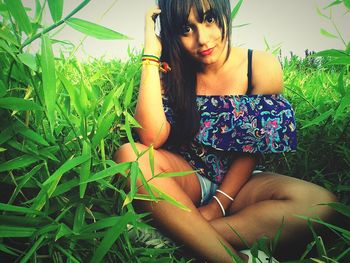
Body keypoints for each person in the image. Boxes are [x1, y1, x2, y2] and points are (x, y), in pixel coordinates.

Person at [114, 0, 337, 262]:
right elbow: (152, 138)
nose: (202, 39)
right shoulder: (169, 69)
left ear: (223, 12)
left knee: (322, 204)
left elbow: (252, 147)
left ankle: (177, 235)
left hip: (242, 182)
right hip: (186, 178)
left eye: (209, 19)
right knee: (131, 156)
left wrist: (218, 205)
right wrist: (151, 56)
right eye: (186, 29)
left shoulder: (260, 66)